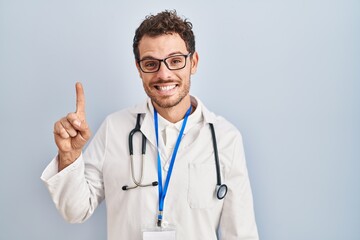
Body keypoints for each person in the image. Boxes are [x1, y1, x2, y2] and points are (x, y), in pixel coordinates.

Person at [41, 10, 259, 240]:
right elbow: (75, 211)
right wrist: (70, 155)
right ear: (139, 68)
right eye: (151, 63)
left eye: (175, 61)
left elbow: (241, 233)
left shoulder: (225, 138)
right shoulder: (114, 128)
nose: (164, 74)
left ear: (193, 63)